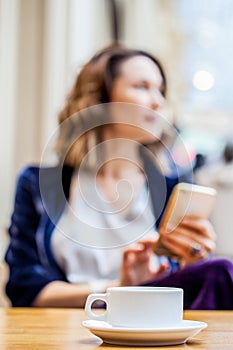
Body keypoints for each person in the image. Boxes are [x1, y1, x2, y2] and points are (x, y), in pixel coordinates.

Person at [5, 45, 233, 309]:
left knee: (220, 271)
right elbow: (23, 290)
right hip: (66, 328)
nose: (157, 101)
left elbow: (178, 286)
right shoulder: (38, 184)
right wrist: (117, 289)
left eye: (160, 90)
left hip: (149, 325)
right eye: (141, 86)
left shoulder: (173, 189)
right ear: (101, 99)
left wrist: (193, 261)